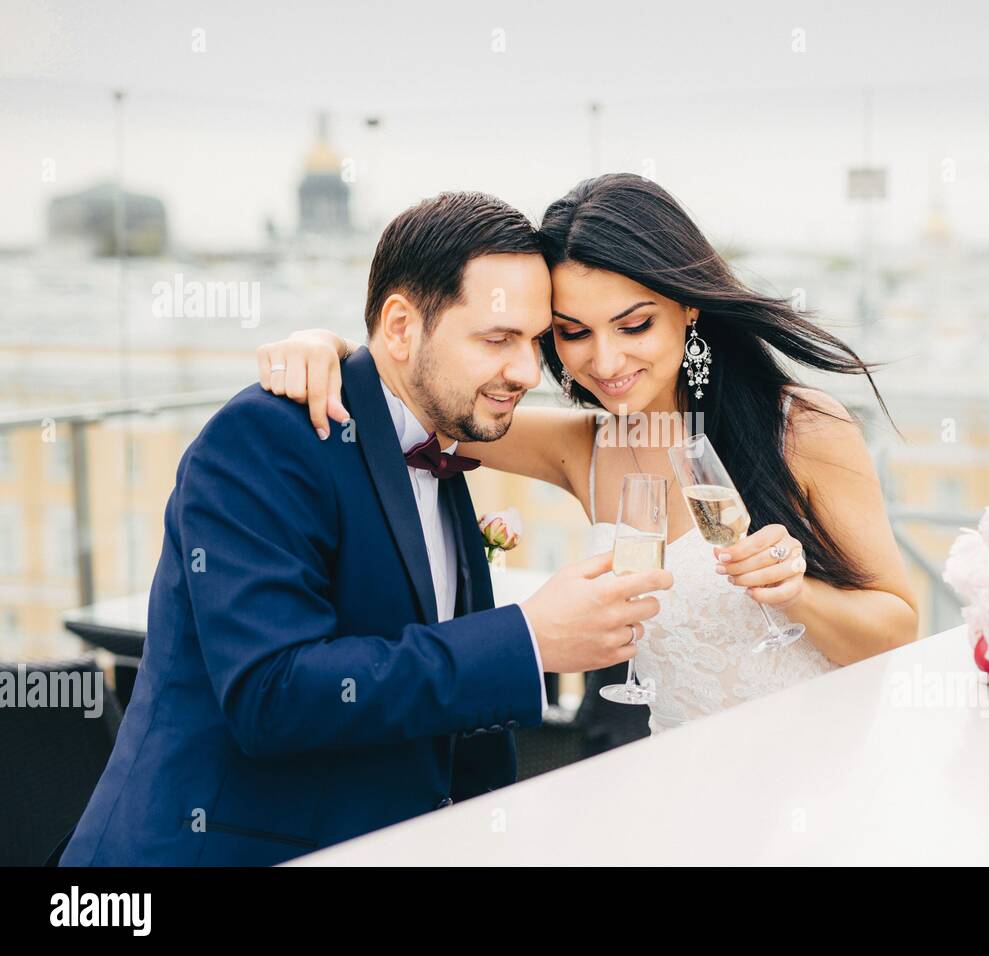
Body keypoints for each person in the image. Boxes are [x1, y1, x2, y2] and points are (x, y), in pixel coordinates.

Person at [59, 192, 670, 866]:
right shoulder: (264, 437)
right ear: (402, 328)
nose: (528, 371)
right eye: (498, 339)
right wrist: (528, 638)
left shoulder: (442, 437)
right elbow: (272, 695)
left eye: (535, 341)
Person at [258, 174, 918, 737]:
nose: (605, 362)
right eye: (573, 333)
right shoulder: (584, 449)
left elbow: (898, 627)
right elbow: (424, 394)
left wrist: (795, 595)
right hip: (678, 784)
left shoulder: (802, 429)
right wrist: (330, 348)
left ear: (688, 308)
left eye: (634, 325)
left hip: (813, 771)